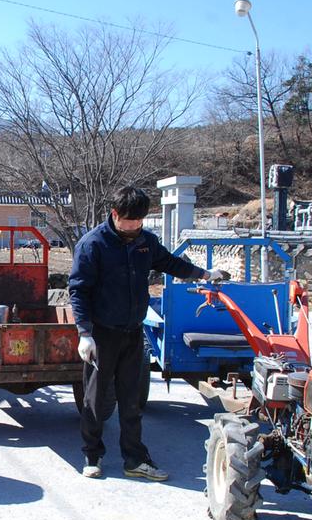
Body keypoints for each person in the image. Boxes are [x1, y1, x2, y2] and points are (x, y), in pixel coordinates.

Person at [68, 186, 229, 481]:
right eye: (129, 221)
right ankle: (92, 455)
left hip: (133, 332)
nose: (134, 227)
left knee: (131, 401)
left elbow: (171, 263)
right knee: (95, 399)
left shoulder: (146, 241)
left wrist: (205, 275)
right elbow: (78, 290)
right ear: (115, 214)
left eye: (139, 221)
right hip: (102, 334)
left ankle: (135, 460)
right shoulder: (93, 244)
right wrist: (84, 333)